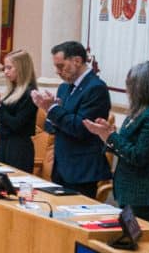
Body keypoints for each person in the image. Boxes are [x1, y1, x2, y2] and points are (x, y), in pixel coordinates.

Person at [82, 60, 149, 221]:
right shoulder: (138, 111)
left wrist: (110, 136)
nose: (127, 89)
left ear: (144, 87)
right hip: (128, 193)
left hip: (146, 197)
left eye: (131, 84)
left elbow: (139, 156)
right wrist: (107, 133)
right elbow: (126, 144)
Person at [31, 41, 110, 198]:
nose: (57, 71)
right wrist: (50, 110)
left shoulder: (96, 88)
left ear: (77, 61)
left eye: (61, 66)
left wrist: (52, 109)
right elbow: (50, 127)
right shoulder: (64, 87)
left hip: (81, 170)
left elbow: (80, 128)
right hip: (60, 166)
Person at [0, 49, 38, 172]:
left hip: (19, 147)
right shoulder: (12, 90)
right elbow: (4, 119)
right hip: (5, 142)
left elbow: (16, 124)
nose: (5, 72)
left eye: (9, 68)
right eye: (4, 68)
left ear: (21, 68)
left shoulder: (30, 94)